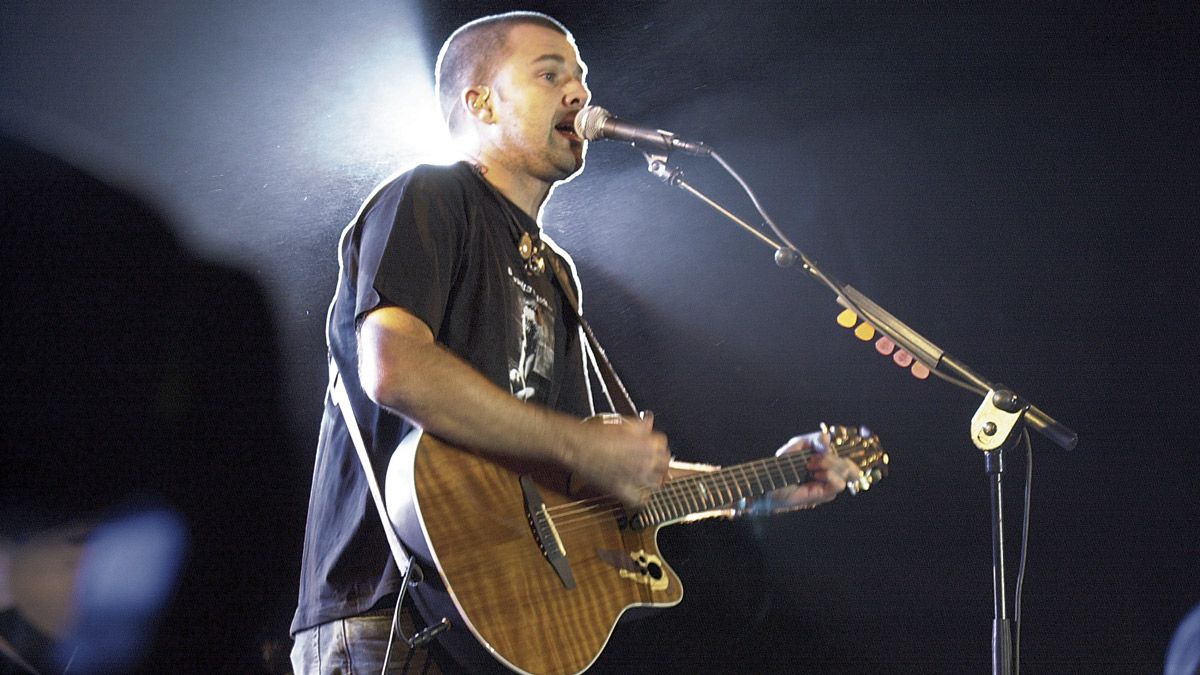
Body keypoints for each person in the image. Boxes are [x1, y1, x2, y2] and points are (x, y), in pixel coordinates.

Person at [289, 11, 863, 674]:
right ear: (480, 101)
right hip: (386, 617)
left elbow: (582, 479)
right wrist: (579, 443)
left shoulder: (555, 273)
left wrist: (765, 485)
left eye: (582, 79)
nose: (580, 94)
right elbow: (393, 367)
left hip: (497, 628)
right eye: (550, 73)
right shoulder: (431, 194)